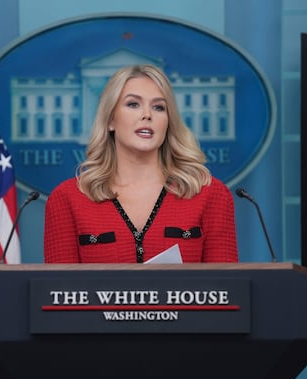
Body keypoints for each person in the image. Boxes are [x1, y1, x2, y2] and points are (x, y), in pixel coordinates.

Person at [44, 64, 238, 263]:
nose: (147, 115)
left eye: (159, 107)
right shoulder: (67, 198)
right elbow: (58, 291)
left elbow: (227, 290)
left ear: (168, 122)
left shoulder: (211, 194)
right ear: (110, 120)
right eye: (133, 104)